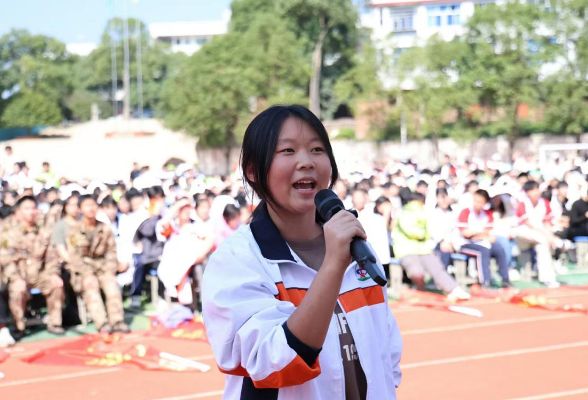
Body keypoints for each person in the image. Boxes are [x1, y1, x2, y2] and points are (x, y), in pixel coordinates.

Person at [203, 105, 402, 400]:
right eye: (288, 151)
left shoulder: (354, 246)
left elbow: (387, 350)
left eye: (317, 149)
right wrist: (333, 265)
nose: (307, 162)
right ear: (253, 171)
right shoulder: (238, 260)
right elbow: (273, 364)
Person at [0, 196, 64, 337]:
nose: (31, 212)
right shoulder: (9, 232)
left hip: (39, 274)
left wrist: (54, 273)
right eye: (27, 209)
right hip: (19, 275)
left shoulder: (43, 231)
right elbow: (6, 259)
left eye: (34, 208)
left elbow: (51, 257)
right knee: (17, 290)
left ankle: (55, 323)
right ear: (19, 211)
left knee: (56, 284)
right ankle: (18, 327)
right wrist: (15, 278)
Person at [66, 195, 129, 333]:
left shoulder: (105, 228)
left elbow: (112, 252)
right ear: (80, 209)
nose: (91, 208)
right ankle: (102, 323)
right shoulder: (73, 230)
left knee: (111, 284)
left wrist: (109, 270)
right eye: (87, 205)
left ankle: (117, 321)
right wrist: (87, 273)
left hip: (103, 268)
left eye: (93, 205)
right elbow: (74, 257)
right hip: (84, 271)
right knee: (90, 284)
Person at [392, 192, 470, 300]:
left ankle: (454, 290)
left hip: (424, 249)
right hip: (406, 250)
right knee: (417, 272)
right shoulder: (402, 213)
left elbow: (431, 230)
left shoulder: (424, 212)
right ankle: (421, 290)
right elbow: (414, 231)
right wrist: (424, 233)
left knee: (437, 269)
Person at [456, 189, 511, 288]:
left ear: (485, 203)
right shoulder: (466, 212)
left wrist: (475, 234)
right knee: (483, 251)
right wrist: (479, 234)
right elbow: (465, 233)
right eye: (475, 200)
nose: (476, 204)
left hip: (481, 242)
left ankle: (505, 280)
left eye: (479, 202)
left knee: (499, 248)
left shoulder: (487, 214)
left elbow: (488, 233)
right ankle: (485, 281)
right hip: (464, 244)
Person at [514, 181, 562, 288]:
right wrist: (549, 237)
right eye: (532, 190)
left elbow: (547, 223)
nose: (535, 192)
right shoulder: (522, 203)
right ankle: (556, 244)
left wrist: (549, 236)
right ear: (527, 192)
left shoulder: (544, 202)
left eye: (536, 189)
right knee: (544, 240)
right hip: (523, 235)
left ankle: (547, 278)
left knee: (543, 247)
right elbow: (528, 224)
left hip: (539, 236)